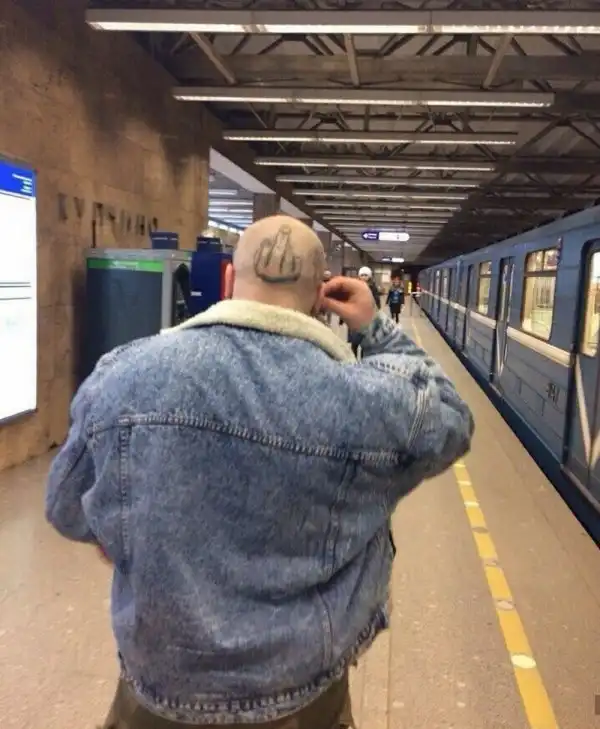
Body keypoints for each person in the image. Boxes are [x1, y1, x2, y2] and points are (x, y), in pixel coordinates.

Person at [45, 215, 474, 729]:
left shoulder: (124, 373)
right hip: (302, 697)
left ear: (229, 278)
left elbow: (67, 509)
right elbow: (451, 418)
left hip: (158, 692)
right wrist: (375, 328)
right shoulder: (365, 398)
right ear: (320, 298)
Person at [348, 266, 380, 357]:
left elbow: (377, 301)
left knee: (365, 344)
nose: (364, 277)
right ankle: (354, 360)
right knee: (354, 343)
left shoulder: (373, 287)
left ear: (369, 276)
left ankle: (363, 361)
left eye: (366, 275)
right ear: (359, 276)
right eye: (362, 275)